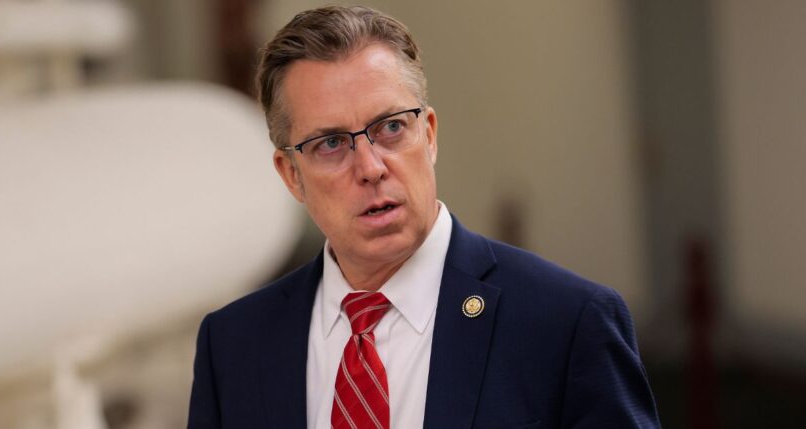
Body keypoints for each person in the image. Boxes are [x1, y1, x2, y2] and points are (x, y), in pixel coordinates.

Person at [188, 5, 660, 429]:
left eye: (391, 127)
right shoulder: (232, 346)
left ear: (429, 135)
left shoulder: (566, 322)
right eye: (331, 143)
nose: (371, 167)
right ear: (291, 174)